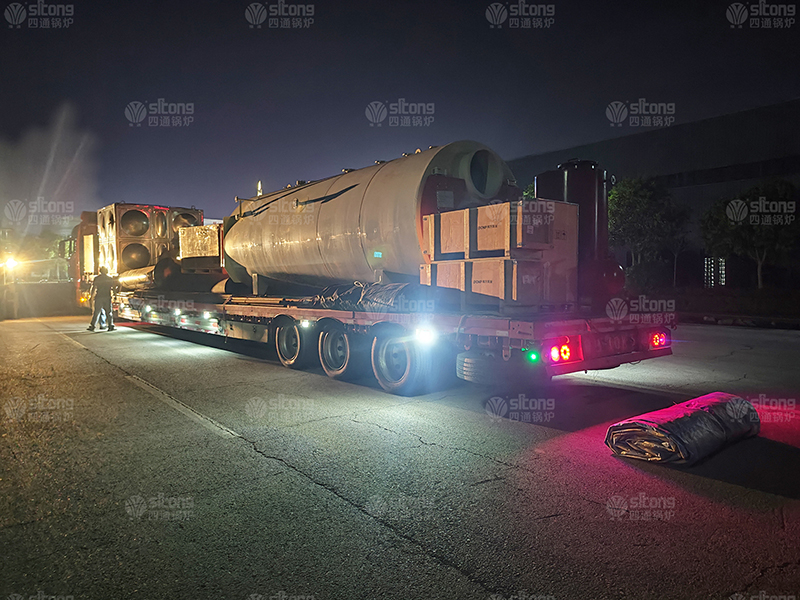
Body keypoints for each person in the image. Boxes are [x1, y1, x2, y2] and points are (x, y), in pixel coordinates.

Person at [87, 266, 118, 331]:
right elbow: (113, 287)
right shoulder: (109, 278)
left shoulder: (97, 278)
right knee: (109, 312)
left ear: (100, 271)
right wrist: (115, 295)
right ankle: (110, 326)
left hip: (99, 297)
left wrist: (91, 296)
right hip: (107, 297)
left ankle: (92, 326)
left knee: (96, 312)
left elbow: (94, 288)